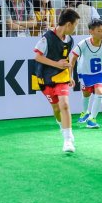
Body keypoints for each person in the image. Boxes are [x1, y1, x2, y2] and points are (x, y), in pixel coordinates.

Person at [33, 9, 80, 153]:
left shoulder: (70, 40)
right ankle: (62, 126)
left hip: (62, 77)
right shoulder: (47, 38)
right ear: (68, 24)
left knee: (64, 105)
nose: (76, 28)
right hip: (45, 78)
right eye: (75, 25)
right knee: (56, 109)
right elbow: (37, 57)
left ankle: (67, 139)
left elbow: (66, 61)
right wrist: (56, 64)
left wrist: (70, 76)